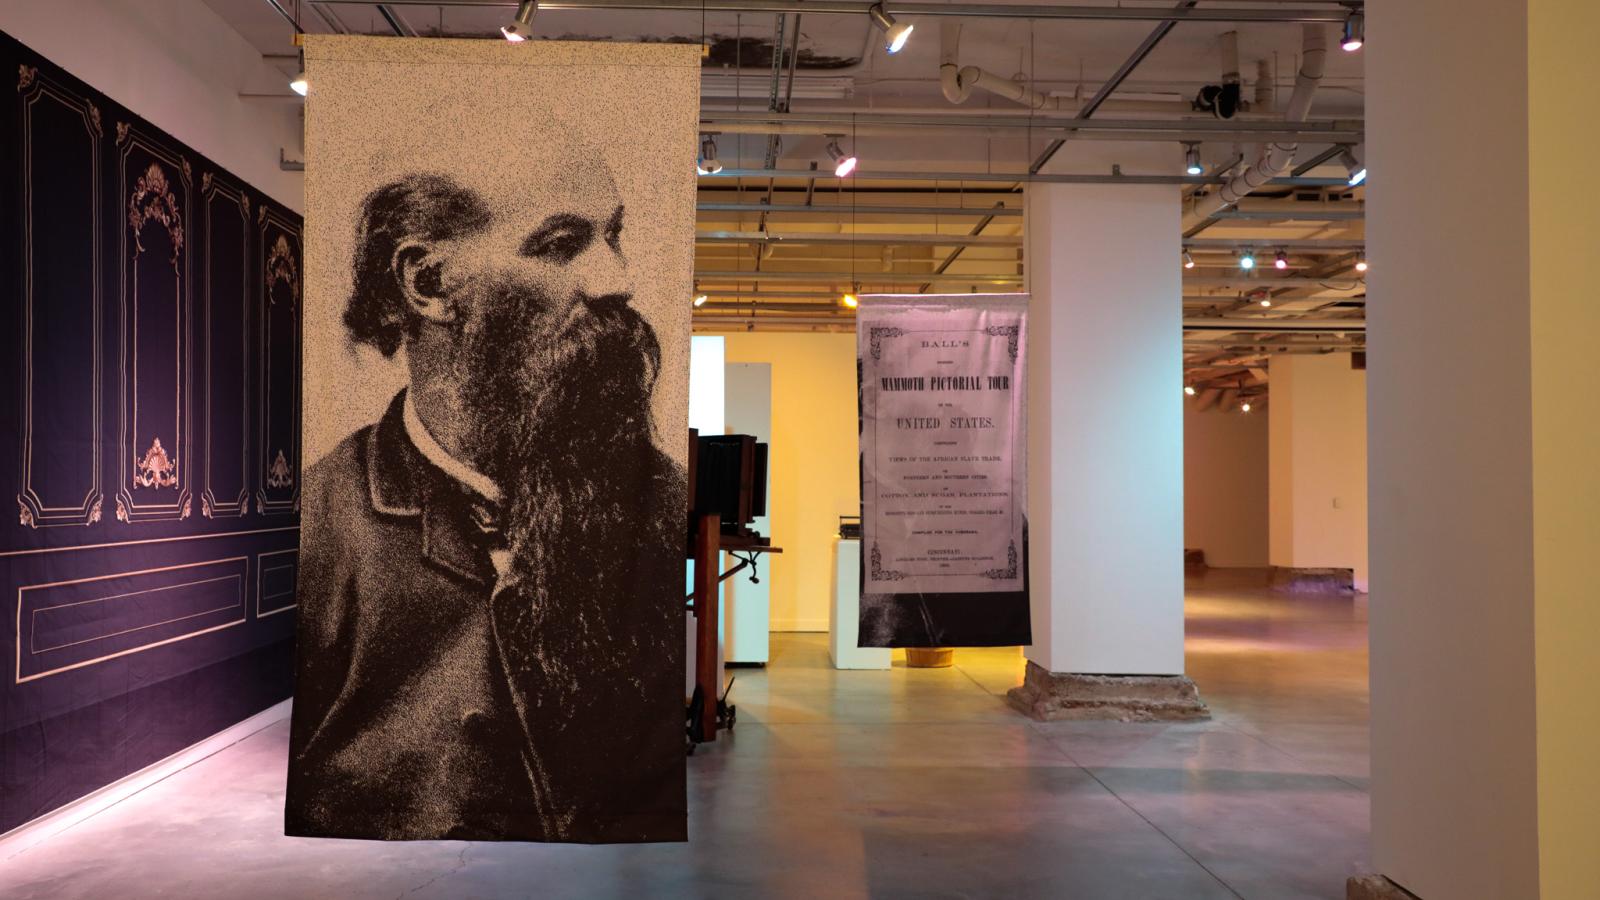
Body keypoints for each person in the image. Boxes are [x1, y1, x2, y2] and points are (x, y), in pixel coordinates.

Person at [284, 161, 687, 843]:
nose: (618, 280)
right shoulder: (323, 521)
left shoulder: (666, 503)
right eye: (561, 244)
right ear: (429, 283)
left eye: (611, 236)